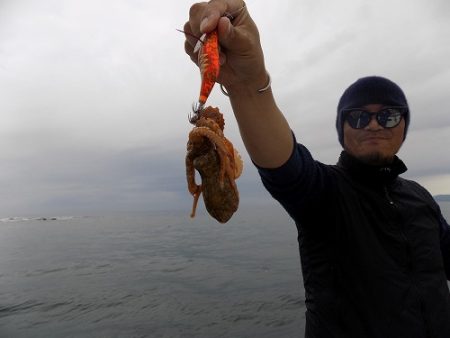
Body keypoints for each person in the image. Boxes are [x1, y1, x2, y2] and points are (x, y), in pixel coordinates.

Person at [182, 1, 450, 337]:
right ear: (341, 128)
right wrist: (247, 87)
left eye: (388, 116)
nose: (373, 124)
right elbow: (285, 167)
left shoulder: (423, 200)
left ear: (404, 126)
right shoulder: (324, 192)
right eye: (358, 116)